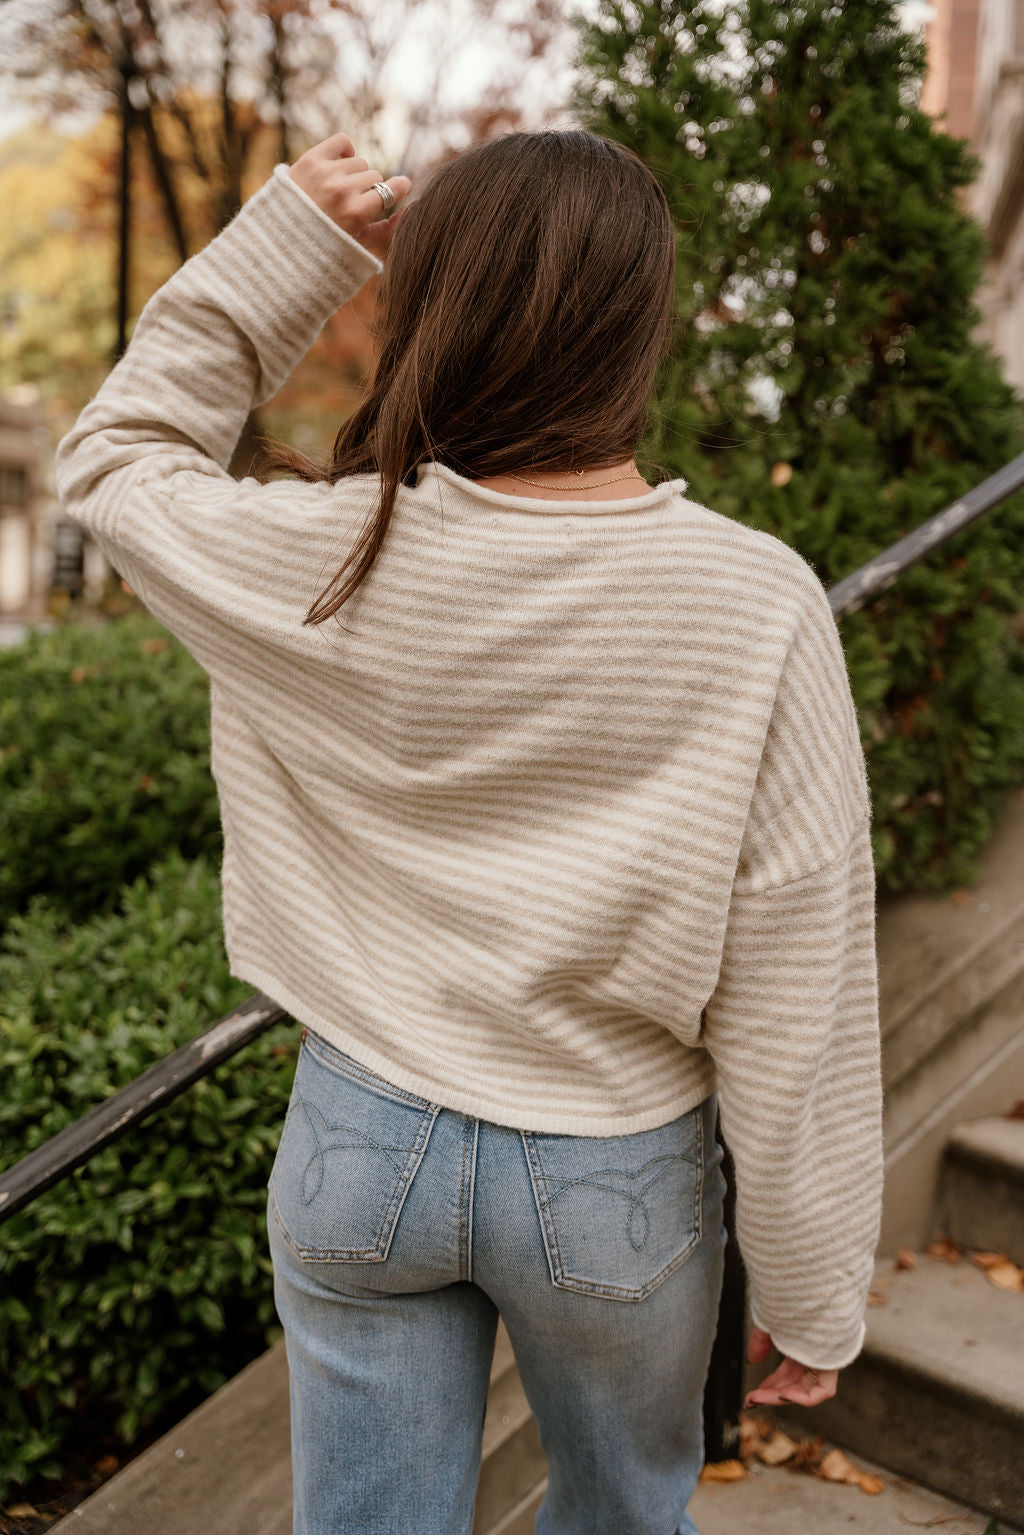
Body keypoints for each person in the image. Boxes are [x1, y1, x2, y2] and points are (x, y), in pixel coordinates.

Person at [56, 128, 884, 1535]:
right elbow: (799, 960)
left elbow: (118, 458)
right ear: (641, 327)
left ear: (423, 307)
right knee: (627, 1518)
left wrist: (287, 249)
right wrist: (813, 1283)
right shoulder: (755, 600)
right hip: (613, 1165)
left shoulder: (319, 551)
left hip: (359, 1131)